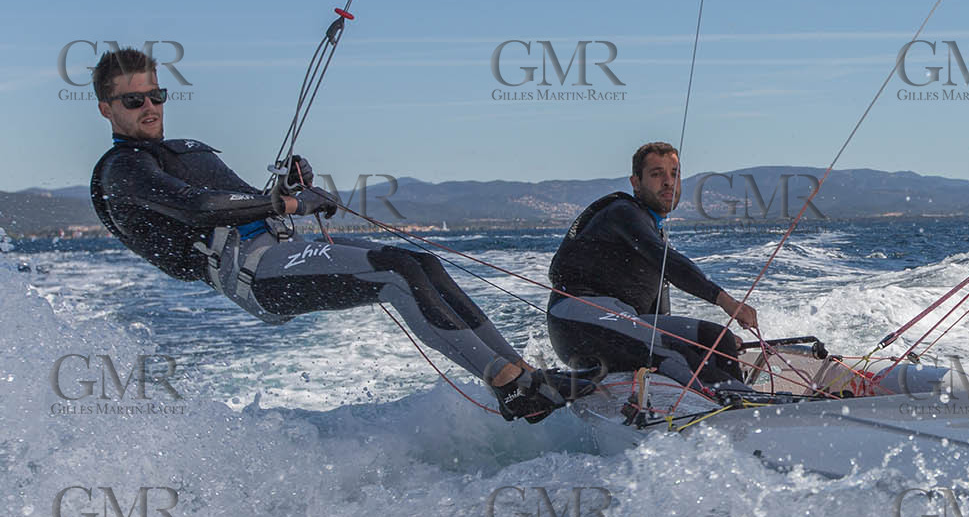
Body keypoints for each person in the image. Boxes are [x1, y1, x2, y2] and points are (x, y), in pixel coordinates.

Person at [87, 47, 591, 423]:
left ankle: (524, 374)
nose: (150, 106)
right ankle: (514, 389)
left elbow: (245, 199)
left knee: (420, 264)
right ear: (107, 108)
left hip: (282, 251)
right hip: (257, 277)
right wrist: (287, 203)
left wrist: (291, 187)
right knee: (396, 274)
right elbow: (199, 209)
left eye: (157, 94)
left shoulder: (186, 150)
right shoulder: (121, 171)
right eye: (134, 100)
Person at [546, 141, 759, 395]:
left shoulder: (653, 231)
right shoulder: (622, 213)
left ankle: (738, 404)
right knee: (672, 354)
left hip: (622, 321)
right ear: (636, 183)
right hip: (577, 320)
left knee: (716, 338)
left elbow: (659, 315)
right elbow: (668, 262)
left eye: (674, 174)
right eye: (657, 174)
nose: (668, 182)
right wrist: (725, 301)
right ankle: (741, 403)